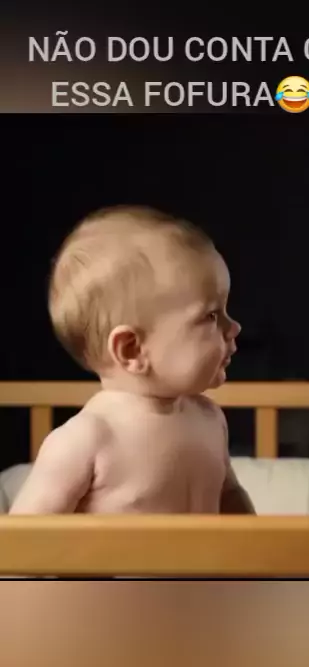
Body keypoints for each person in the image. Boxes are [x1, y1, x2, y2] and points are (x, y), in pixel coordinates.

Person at [10, 205, 255, 514]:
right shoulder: (87, 439)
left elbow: (230, 496)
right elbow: (24, 535)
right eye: (211, 316)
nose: (234, 328)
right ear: (132, 350)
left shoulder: (209, 418)